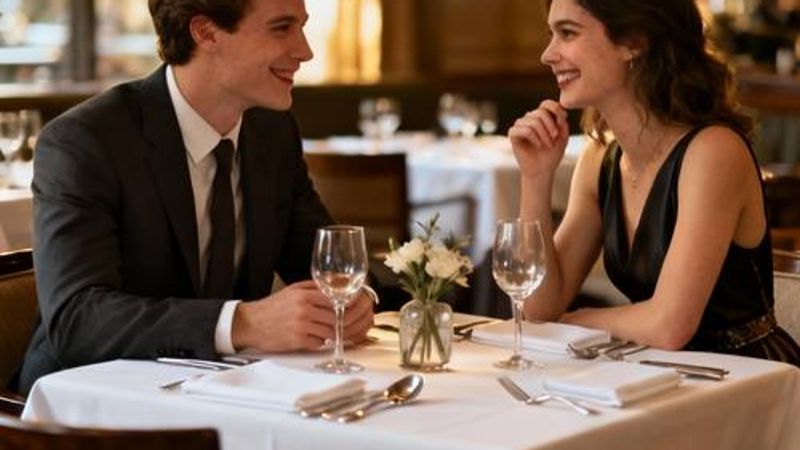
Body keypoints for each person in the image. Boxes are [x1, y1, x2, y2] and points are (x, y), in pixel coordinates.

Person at [17, 0, 375, 393]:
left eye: (301, 27)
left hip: (226, 392)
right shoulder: (87, 141)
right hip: (86, 403)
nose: (305, 50)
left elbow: (324, 261)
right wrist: (243, 324)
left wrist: (356, 301)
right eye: (281, 28)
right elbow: (77, 320)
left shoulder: (272, 131)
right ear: (205, 32)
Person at [510, 0, 800, 364]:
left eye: (567, 33)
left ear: (634, 41)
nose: (547, 54)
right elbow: (537, 306)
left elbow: (669, 325)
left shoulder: (713, 152)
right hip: (656, 372)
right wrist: (536, 177)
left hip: (748, 380)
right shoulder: (600, 159)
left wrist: (575, 321)